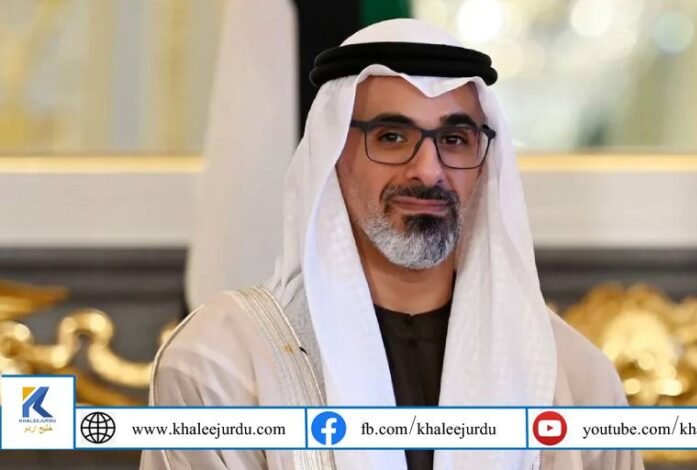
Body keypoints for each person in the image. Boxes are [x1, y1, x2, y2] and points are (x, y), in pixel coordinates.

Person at [141, 19, 644, 470]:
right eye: (391, 137)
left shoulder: (573, 377)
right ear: (334, 155)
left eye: (454, 140)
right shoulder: (223, 363)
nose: (428, 170)